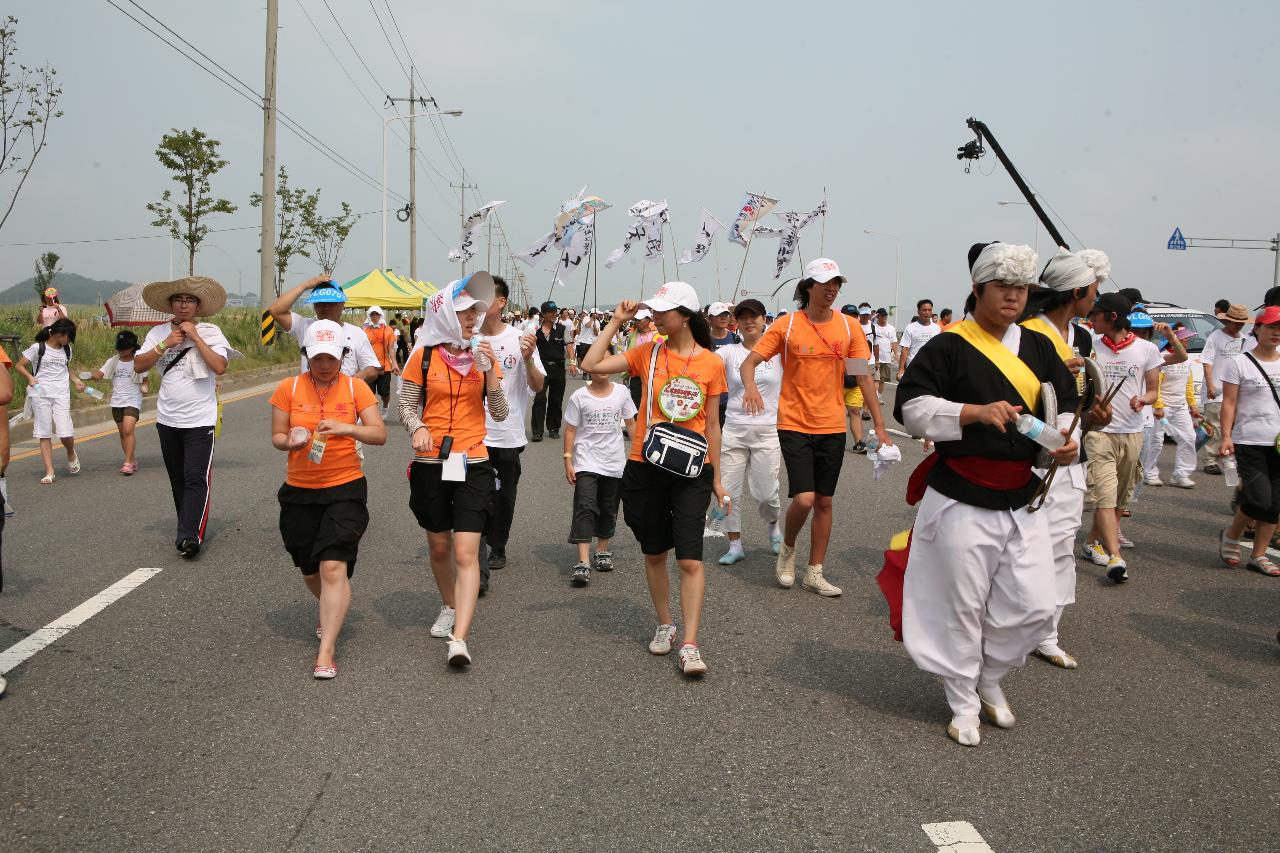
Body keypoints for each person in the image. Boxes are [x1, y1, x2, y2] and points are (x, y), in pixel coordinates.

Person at [893, 241, 1078, 747]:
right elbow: (909, 409)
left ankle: (990, 673)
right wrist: (971, 412)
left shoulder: (1040, 346)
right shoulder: (948, 345)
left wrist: (1065, 439)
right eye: (1004, 287)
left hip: (1023, 491)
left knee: (1036, 604)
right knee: (962, 604)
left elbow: (1061, 402)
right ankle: (962, 698)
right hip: (961, 494)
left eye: (1022, 288)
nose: (1015, 297)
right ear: (977, 289)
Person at [580, 281, 729, 677]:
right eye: (655, 310)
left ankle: (691, 644)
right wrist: (615, 321)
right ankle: (665, 622)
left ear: (686, 316)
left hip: (692, 470)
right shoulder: (648, 351)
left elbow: (713, 424)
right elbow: (591, 365)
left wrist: (717, 477)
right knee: (654, 552)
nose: (656, 316)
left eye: (664, 310)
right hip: (645, 464)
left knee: (691, 558)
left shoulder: (712, 364)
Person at [741, 258, 890, 596]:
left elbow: (863, 376)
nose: (832, 289)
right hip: (793, 422)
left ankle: (815, 572)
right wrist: (750, 387)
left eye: (837, 283)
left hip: (831, 425)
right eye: (825, 283)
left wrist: (880, 426)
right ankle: (788, 548)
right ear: (808, 286)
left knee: (824, 501)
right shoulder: (788, 326)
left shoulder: (850, 327)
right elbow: (750, 362)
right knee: (805, 499)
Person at [398, 273, 507, 667]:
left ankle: (460, 637)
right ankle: (448, 604)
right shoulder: (422, 356)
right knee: (439, 545)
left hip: (474, 460)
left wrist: (491, 371)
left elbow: (499, 412)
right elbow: (407, 407)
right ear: (444, 313)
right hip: (431, 464)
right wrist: (419, 427)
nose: (472, 319)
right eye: (464, 312)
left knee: (466, 551)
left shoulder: (482, 356)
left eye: (476, 313)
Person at [270, 320, 387, 679]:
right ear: (306, 355)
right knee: (308, 566)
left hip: (345, 487)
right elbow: (276, 435)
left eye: (332, 358)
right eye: (317, 357)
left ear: (343, 356)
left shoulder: (356, 390)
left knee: (333, 566)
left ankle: (327, 650)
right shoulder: (288, 388)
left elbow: (379, 434)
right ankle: (330, 608)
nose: (324, 365)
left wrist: (347, 428)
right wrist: (289, 441)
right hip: (300, 490)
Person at [1018, 247, 1111, 669]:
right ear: (1076, 291)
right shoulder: (1027, 334)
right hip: (1033, 457)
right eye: (1094, 290)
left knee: (1060, 547)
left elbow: (1080, 407)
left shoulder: (1083, 337)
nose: (1098, 298)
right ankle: (1009, 625)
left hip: (1072, 460)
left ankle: (1047, 632)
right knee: (1022, 548)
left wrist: (1094, 416)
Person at [133, 276, 230, 559]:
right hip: (167, 418)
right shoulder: (158, 332)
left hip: (200, 419)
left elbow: (220, 366)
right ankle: (187, 525)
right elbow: (139, 364)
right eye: (179, 300)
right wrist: (166, 344)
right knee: (178, 478)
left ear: (198, 305)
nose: (184, 305)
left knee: (195, 477)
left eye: (190, 300)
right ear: (171, 304)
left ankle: (190, 536)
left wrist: (195, 337)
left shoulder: (211, 331)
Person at [1080, 292, 1162, 582]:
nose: (1090, 319)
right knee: (1104, 491)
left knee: (1117, 498)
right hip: (1099, 432)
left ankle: (1092, 543)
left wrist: (1143, 399)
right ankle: (1115, 557)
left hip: (1132, 431)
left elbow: (1153, 390)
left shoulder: (1146, 349)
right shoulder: (1089, 346)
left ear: (1112, 317)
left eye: (1095, 314)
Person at [477, 276, 546, 588]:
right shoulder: (467, 338)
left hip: (506, 433)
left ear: (501, 302)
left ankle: (498, 544)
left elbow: (538, 385)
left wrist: (529, 359)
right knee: (475, 494)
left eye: (486, 297)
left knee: (504, 495)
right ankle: (475, 545)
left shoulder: (520, 339)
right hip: (472, 434)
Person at [715, 299, 782, 564]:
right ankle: (735, 545)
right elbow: (702, 366)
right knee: (728, 491)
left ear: (764, 319)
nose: (748, 321)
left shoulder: (779, 353)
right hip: (733, 429)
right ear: (736, 323)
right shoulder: (727, 353)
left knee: (766, 493)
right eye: (742, 317)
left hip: (767, 430)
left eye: (754, 316)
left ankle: (773, 525)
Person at [1217, 306, 1280, 576]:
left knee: (1275, 504)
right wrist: (1227, 436)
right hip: (1249, 440)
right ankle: (1232, 535)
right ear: (1257, 329)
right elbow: (1229, 403)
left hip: (1278, 442)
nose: (1276, 332)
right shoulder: (1239, 363)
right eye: (1271, 327)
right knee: (1259, 499)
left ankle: (1259, 555)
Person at [563, 368, 637, 586]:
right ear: (590, 369)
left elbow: (631, 423)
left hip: (614, 461)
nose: (602, 368)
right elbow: (570, 430)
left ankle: (602, 550)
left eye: (606, 362)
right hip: (586, 460)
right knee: (585, 505)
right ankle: (583, 561)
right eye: (597, 363)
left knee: (608, 506)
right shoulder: (579, 396)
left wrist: (638, 453)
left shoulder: (622, 392)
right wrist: (568, 460)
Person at [268, 276, 380, 381]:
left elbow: (372, 368)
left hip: (342, 399)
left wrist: (347, 385)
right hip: (310, 397)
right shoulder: (305, 326)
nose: (326, 308)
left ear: (342, 304)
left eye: (331, 303)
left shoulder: (356, 333)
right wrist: (305, 285)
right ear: (314, 306)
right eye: (320, 303)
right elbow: (276, 310)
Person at [17, 317, 84, 483]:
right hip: (41, 395)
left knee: (65, 432)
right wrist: (30, 378)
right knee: (44, 432)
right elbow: (20, 365)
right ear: (60, 334)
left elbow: (65, 369)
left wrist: (76, 381)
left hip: (61, 394)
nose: (69, 341)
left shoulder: (67, 350)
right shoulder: (37, 348)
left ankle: (70, 451)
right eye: (69, 337)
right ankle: (49, 471)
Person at [1143, 326, 1200, 488]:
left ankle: (1181, 474)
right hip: (1162, 407)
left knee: (1189, 438)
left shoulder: (1186, 359)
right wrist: (1158, 406)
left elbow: (1188, 384)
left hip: (1180, 406)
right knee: (1156, 441)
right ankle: (1149, 472)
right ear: (1175, 339)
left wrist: (1192, 406)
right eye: (1185, 337)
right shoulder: (1162, 357)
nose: (1187, 340)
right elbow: (1156, 384)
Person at [1200, 303, 1254, 475]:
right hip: (1215, 389)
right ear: (1227, 321)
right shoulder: (1215, 337)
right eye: (1234, 322)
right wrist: (1210, 384)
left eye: (1241, 323)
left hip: (1234, 391)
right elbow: (1207, 362)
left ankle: (1229, 458)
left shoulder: (1244, 340)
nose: (1237, 326)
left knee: (1233, 426)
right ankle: (1210, 460)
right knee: (1213, 425)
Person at [88, 330, 150, 475]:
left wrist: (145, 387)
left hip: (132, 401)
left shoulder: (138, 361)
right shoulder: (113, 361)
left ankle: (127, 463)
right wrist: (89, 375)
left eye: (124, 349)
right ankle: (131, 459)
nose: (121, 351)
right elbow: (100, 375)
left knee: (128, 430)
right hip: (117, 401)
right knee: (123, 434)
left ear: (133, 348)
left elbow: (145, 380)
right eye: (119, 349)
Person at [531, 300, 571, 441]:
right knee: (540, 399)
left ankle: (554, 428)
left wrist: (572, 362)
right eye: (551, 312)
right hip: (541, 368)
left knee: (556, 399)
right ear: (544, 314)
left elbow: (569, 345)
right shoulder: (535, 330)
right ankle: (537, 431)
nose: (554, 314)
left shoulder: (562, 328)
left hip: (558, 368)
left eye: (556, 312)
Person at [839, 303, 870, 452]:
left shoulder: (859, 333)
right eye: (849, 315)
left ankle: (859, 442)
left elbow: (860, 362)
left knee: (855, 411)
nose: (853, 318)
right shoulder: (834, 332)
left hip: (853, 375)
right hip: (835, 380)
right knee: (836, 414)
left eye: (854, 316)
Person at [362, 305, 398, 414]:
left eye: (376, 314)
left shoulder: (388, 330)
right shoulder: (364, 330)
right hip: (369, 366)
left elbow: (391, 348)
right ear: (369, 316)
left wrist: (395, 364)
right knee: (368, 392)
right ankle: (369, 413)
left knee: (384, 393)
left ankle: (385, 405)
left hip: (385, 366)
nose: (374, 316)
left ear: (380, 315)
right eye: (372, 314)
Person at [896, 298, 941, 380]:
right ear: (918, 312)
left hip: (931, 368)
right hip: (914, 367)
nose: (927, 312)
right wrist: (901, 369)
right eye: (924, 310)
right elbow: (905, 349)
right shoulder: (910, 328)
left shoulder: (937, 328)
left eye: (929, 310)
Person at [871, 308, 897, 402]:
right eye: (882, 315)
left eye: (885, 316)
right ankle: (874, 396)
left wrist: (896, 357)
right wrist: (872, 317)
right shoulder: (873, 326)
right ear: (878, 316)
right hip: (875, 357)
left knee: (882, 379)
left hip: (886, 357)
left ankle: (879, 396)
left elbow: (894, 342)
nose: (884, 317)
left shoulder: (891, 328)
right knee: (875, 378)